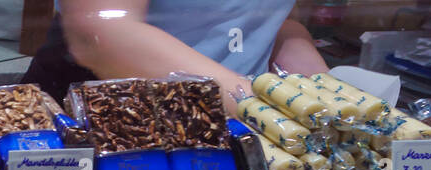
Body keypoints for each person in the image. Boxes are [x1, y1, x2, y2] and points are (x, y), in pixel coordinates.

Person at [23, 0, 327, 111]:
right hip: (116, 125)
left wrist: (292, 42)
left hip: (233, 132)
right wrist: (262, 108)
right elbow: (100, 33)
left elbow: (259, 14)